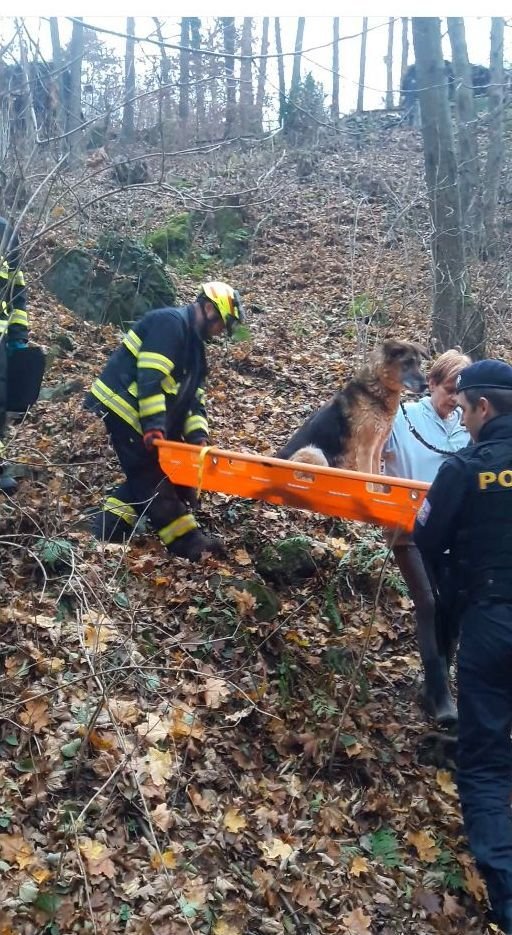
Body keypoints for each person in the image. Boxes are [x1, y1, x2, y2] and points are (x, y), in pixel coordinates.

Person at [414, 359, 512, 934]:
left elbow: (425, 538)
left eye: (466, 406)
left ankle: (505, 899)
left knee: (484, 762)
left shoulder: (465, 467)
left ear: (481, 408)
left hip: (491, 622)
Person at [84, 281, 244, 562]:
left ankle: (103, 526)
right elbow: (150, 379)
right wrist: (155, 428)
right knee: (153, 478)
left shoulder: (195, 350)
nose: (222, 331)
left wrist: (198, 440)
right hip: (123, 408)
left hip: (145, 416)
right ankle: (189, 543)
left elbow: (194, 401)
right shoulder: (169, 325)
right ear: (209, 309)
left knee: (151, 476)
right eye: (223, 323)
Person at [382, 349, 471, 724]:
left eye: (461, 394)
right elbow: (370, 449)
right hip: (407, 528)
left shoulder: (467, 427)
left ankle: (435, 681)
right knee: (429, 603)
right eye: (449, 389)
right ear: (431, 383)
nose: (454, 399)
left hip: (450, 533)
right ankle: (438, 692)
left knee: (451, 606)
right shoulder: (403, 417)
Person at [0, 216, 28, 494]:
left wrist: (18, 336)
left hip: (0, 336)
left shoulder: (5, 231)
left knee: (1, 402)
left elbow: (17, 289)